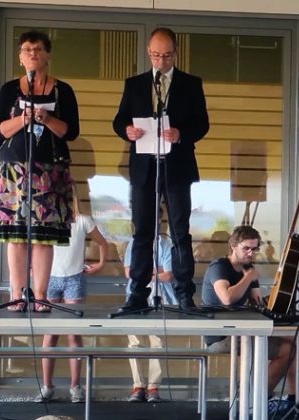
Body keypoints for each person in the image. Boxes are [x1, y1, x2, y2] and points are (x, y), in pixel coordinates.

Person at [112, 27, 209, 311]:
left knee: (180, 231)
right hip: (144, 166)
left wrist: (181, 133)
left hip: (177, 166)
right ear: (148, 53)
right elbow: (119, 121)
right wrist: (126, 131)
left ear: (175, 53)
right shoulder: (135, 83)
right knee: (142, 230)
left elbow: (202, 124)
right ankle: (137, 294)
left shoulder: (191, 84)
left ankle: (183, 293)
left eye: (166, 56)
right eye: (155, 55)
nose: (160, 61)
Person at [0, 30, 79, 312]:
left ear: (47, 55)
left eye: (38, 49)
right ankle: (16, 293)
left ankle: (40, 295)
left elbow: (71, 132)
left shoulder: (62, 90)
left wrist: (47, 117)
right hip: (13, 170)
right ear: (19, 57)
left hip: (49, 169)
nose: (32, 54)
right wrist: (22, 119)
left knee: (42, 236)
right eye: (27, 49)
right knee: (16, 236)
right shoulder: (8, 89)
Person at [200, 225, 296, 402]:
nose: (250, 253)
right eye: (246, 248)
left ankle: (291, 397)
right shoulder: (219, 266)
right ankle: (255, 398)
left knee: (291, 341)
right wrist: (248, 278)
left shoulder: (248, 269)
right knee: (287, 349)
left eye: (254, 249)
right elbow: (227, 298)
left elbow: (257, 302)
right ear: (233, 246)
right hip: (220, 335)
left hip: (240, 330)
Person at [35, 189, 108, 403]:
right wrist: (33, 269)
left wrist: (100, 265)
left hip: (74, 278)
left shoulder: (83, 220)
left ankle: (75, 387)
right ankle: (47, 386)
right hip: (49, 279)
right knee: (50, 335)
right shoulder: (47, 220)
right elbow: (35, 246)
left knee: (74, 334)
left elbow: (103, 243)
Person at [123, 234, 177, 403]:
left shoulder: (166, 244)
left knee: (157, 343)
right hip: (135, 299)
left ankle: (153, 387)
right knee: (135, 343)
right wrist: (157, 270)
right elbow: (129, 272)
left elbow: (169, 275)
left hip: (160, 299)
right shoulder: (134, 242)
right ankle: (138, 386)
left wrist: (143, 272)